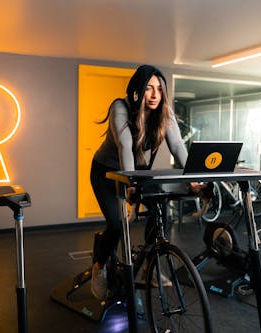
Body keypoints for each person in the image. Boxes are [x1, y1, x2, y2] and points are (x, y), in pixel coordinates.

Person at [90, 64, 203, 300]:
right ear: (137, 90)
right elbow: (125, 147)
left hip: (137, 172)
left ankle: (148, 268)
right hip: (106, 172)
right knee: (117, 224)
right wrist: (130, 183)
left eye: (159, 90)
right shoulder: (120, 107)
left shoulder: (164, 112)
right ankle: (99, 267)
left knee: (161, 213)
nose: (154, 95)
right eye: (149, 88)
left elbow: (178, 147)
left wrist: (194, 179)